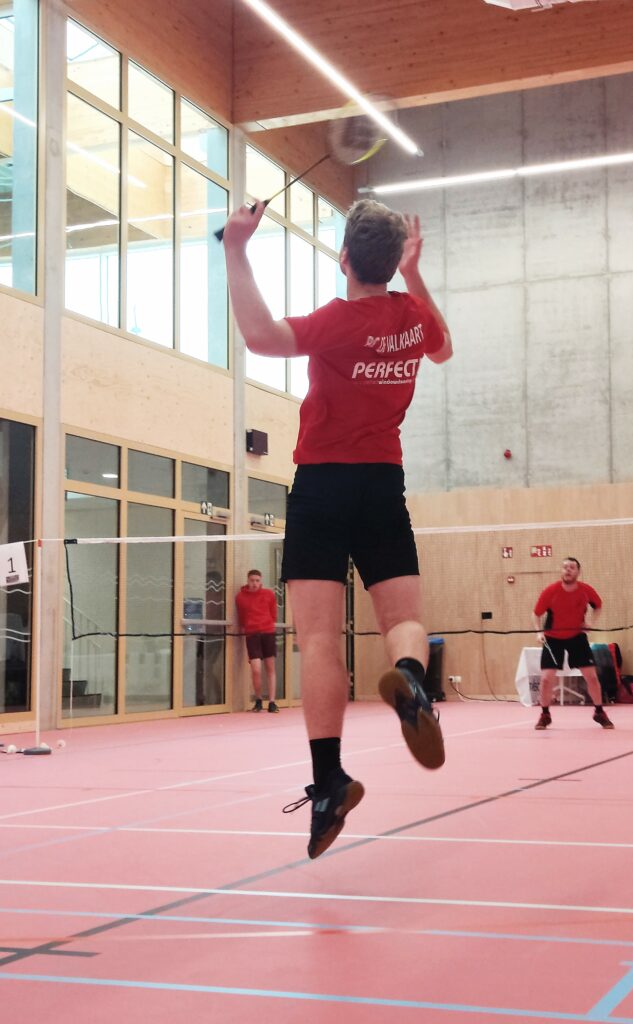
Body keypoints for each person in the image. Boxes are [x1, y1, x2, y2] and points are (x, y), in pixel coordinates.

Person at [223, 197, 453, 859]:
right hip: (383, 484)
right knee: (403, 618)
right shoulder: (413, 318)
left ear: (345, 258)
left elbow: (262, 336)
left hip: (322, 485)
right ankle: (410, 676)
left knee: (320, 639)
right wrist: (415, 276)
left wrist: (237, 249)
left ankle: (329, 781)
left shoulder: (335, 322)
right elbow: (445, 348)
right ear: (394, 259)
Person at [531, 557, 614, 730]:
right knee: (546, 679)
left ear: (578, 571)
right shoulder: (551, 591)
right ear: (561, 571)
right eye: (565, 567)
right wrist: (539, 632)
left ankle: (599, 712)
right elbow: (536, 613)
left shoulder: (585, 590)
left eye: (572, 567)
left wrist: (591, 623)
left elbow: (597, 605)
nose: (568, 570)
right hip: (552, 637)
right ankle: (545, 714)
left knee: (591, 676)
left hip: (577, 636)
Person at [235, 569, 279, 712]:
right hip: (252, 634)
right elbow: (241, 616)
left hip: (268, 633)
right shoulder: (240, 597)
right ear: (247, 581)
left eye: (257, 581)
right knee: (256, 669)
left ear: (261, 581)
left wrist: (268, 626)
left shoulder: (269, 594)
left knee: (270, 668)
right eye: (252, 580)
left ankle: (272, 702)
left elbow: (273, 614)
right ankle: (258, 699)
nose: (254, 583)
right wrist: (245, 628)